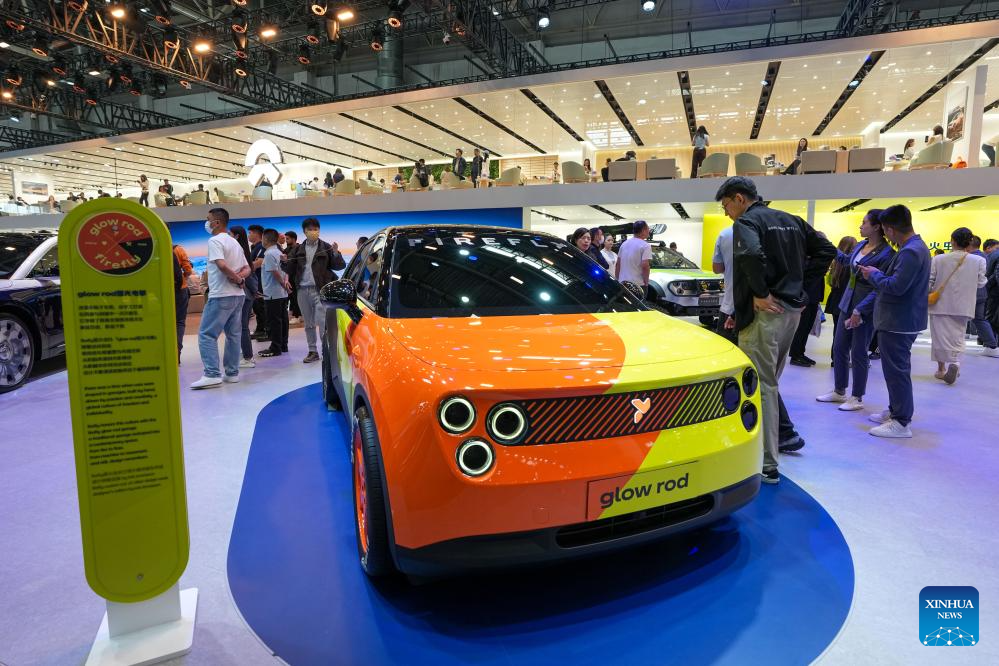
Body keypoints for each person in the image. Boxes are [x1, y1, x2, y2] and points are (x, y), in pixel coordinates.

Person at [717, 176, 835, 484]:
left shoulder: (747, 222)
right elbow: (826, 249)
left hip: (765, 314)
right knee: (770, 383)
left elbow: (750, 255)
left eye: (726, 205)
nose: (726, 212)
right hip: (790, 313)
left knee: (762, 386)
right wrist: (798, 286)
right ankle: (768, 451)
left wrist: (761, 292)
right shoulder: (791, 220)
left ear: (739, 198)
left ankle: (768, 464)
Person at [858, 205, 931, 438]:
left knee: (897, 371)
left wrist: (874, 275)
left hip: (899, 321)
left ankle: (900, 422)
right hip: (900, 319)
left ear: (889, 229)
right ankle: (895, 411)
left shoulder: (910, 251)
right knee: (895, 370)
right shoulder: (915, 247)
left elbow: (897, 287)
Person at [816, 213, 894, 410]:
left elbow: (879, 287)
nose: (860, 226)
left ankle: (857, 396)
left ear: (876, 227)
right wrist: (827, 244)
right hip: (847, 302)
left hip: (865, 307)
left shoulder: (887, 254)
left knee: (859, 351)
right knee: (839, 347)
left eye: (864, 223)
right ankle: (839, 390)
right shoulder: (860, 245)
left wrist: (860, 309)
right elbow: (845, 260)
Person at [192, 208, 251, 389]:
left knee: (207, 334)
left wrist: (237, 279)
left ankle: (212, 374)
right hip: (238, 296)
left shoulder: (214, 241)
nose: (206, 222)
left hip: (221, 295)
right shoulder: (235, 242)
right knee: (233, 335)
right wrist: (240, 278)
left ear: (216, 222)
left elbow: (221, 265)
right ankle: (232, 373)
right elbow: (247, 268)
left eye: (208, 219)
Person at [927, 228, 991, 384]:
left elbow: (929, 282)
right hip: (964, 305)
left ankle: (941, 369)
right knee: (958, 336)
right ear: (969, 242)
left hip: (940, 304)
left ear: (952, 241)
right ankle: (955, 362)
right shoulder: (979, 261)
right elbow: (981, 282)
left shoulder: (938, 259)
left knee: (939, 338)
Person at [286, 218, 346, 364]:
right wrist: (284, 261)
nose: (313, 231)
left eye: (316, 229)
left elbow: (339, 266)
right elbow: (290, 269)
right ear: (304, 231)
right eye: (310, 229)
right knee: (308, 323)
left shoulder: (326, 247)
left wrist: (336, 253)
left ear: (319, 230)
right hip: (302, 290)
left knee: (322, 321)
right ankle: (312, 351)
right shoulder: (297, 249)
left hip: (321, 290)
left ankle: (327, 351)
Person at [788, 231, 832, 367]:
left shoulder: (814, 258)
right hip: (806, 299)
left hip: (813, 298)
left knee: (806, 328)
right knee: (801, 328)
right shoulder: (805, 258)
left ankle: (800, 353)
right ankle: (796, 355)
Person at [823, 235, 858, 361]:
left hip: (835, 301)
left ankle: (835, 358)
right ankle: (842, 358)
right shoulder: (852, 267)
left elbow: (830, 282)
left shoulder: (835, 264)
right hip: (846, 302)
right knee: (847, 333)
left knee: (837, 333)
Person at [257, 229, 291, 358]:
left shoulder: (269, 254)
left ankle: (275, 347)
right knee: (282, 320)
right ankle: (283, 345)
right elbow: (285, 270)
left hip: (272, 293)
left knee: (274, 321)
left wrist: (284, 285)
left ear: (265, 239)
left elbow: (275, 273)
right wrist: (286, 283)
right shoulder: (279, 252)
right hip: (280, 293)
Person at [229, 226, 259, 368]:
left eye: (230, 234)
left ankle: (248, 357)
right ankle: (246, 354)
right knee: (242, 325)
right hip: (247, 294)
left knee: (242, 326)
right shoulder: (244, 251)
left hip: (243, 294)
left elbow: (248, 275)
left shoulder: (238, 252)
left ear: (236, 236)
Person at [968, 235, 998, 355]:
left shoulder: (971, 258)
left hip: (972, 292)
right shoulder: (984, 257)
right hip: (982, 292)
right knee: (980, 319)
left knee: (957, 319)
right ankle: (991, 346)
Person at [712, 223, 737, 344]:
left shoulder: (725, 234)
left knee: (726, 348)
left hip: (731, 306)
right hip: (766, 308)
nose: (726, 214)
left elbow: (717, 268)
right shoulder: (768, 232)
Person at [615, 220, 652, 295]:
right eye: (648, 228)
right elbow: (645, 265)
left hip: (623, 283)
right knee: (638, 303)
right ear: (643, 230)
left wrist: (617, 279)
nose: (649, 231)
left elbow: (618, 264)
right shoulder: (645, 245)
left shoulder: (624, 244)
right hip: (637, 285)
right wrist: (646, 282)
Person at [173, 243, 194, 363]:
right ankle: (177, 354)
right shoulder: (178, 249)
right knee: (179, 322)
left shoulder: (154, 249)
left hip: (161, 292)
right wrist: (183, 279)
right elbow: (188, 270)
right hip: (180, 289)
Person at [247, 224, 268, 342]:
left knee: (261, 307)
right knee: (257, 308)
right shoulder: (254, 247)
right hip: (255, 282)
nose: (248, 235)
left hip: (261, 281)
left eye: (250, 233)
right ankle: (260, 329)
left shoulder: (261, 247)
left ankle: (265, 330)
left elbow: (258, 263)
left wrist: (245, 269)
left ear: (256, 233)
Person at [284, 231, 302, 323]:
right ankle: (296, 314)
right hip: (289, 277)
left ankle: (298, 316)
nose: (286, 240)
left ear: (293, 239)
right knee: (292, 297)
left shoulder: (300, 248)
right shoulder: (286, 250)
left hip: (297, 277)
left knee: (297, 297)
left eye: (287, 239)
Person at [985, 238, 999, 332]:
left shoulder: (989, 256)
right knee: (993, 316)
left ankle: (986, 337)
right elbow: (996, 275)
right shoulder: (996, 255)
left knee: (989, 315)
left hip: (990, 290)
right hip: (995, 290)